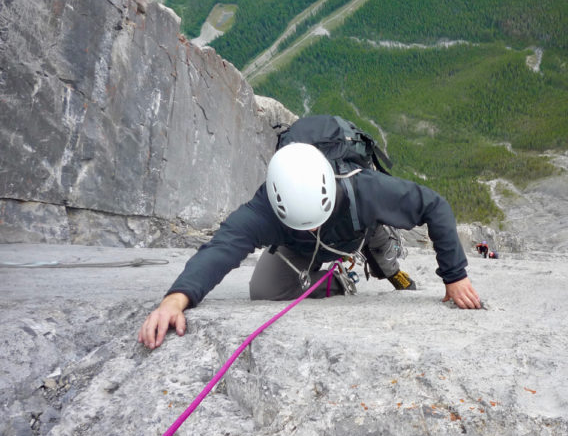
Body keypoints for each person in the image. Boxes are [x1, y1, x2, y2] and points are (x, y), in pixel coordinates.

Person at [139, 141, 482, 349]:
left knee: (386, 265)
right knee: (265, 290)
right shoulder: (264, 210)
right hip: (301, 248)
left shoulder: (364, 188)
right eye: (307, 222)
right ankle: (337, 281)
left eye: (318, 216)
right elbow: (222, 248)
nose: (317, 225)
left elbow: (434, 205)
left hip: (360, 228)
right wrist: (175, 299)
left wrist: (455, 276)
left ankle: (382, 250)